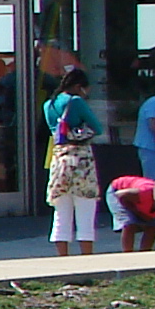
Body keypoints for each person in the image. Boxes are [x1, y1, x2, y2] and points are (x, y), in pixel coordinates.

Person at [43, 65, 102, 256]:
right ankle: (86, 259)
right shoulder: (76, 101)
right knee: (85, 210)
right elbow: (97, 127)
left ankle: (63, 259)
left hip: (59, 158)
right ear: (78, 86)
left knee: (61, 213)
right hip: (80, 158)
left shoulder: (48, 105)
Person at [106, 171, 155, 253]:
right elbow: (121, 195)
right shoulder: (146, 192)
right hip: (118, 191)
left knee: (152, 225)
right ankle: (128, 254)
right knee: (129, 223)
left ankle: (145, 253)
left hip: (134, 197)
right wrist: (138, 213)